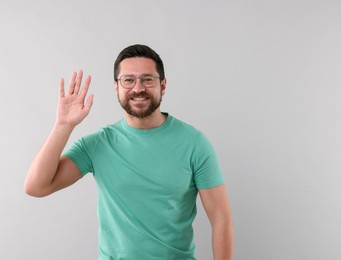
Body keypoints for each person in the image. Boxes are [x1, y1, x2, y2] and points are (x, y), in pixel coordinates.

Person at [24, 44, 234, 259]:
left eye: (147, 79)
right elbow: (36, 186)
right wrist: (63, 126)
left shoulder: (194, 143)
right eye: (128, 80)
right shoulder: (98, 144)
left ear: (163, 85)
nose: (138, 88)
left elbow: (221, 218)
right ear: (117, 87)